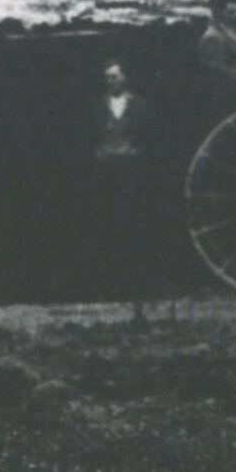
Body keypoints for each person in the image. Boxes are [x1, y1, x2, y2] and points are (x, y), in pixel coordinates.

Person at [91, 55, 162, 322]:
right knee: (108, 227)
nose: (111, 81)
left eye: (115, 76)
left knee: (134, 226)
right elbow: (90, 134)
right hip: (105, 173)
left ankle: (138, 293)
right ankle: (111, 290)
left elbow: (150, 137)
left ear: (125, 77)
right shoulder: (97, 106)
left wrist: (137, 154)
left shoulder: (141, 105)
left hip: (132, 173)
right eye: (107, 77)